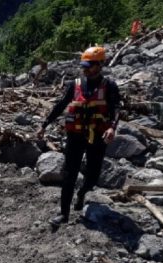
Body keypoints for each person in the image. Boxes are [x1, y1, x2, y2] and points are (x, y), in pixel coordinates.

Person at [36, 46, 121, 226]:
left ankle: (82, 193)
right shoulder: (74, 85)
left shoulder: (109, 86)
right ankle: (63, 214)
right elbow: (60, 105)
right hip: (75, 135)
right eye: (84, 66)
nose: (86, 69)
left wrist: (112, 128)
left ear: (100, 64)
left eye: (90, 66)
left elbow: (116, 109)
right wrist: (45, 124)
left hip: (98, 135)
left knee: (92, 175)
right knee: (69, 174)